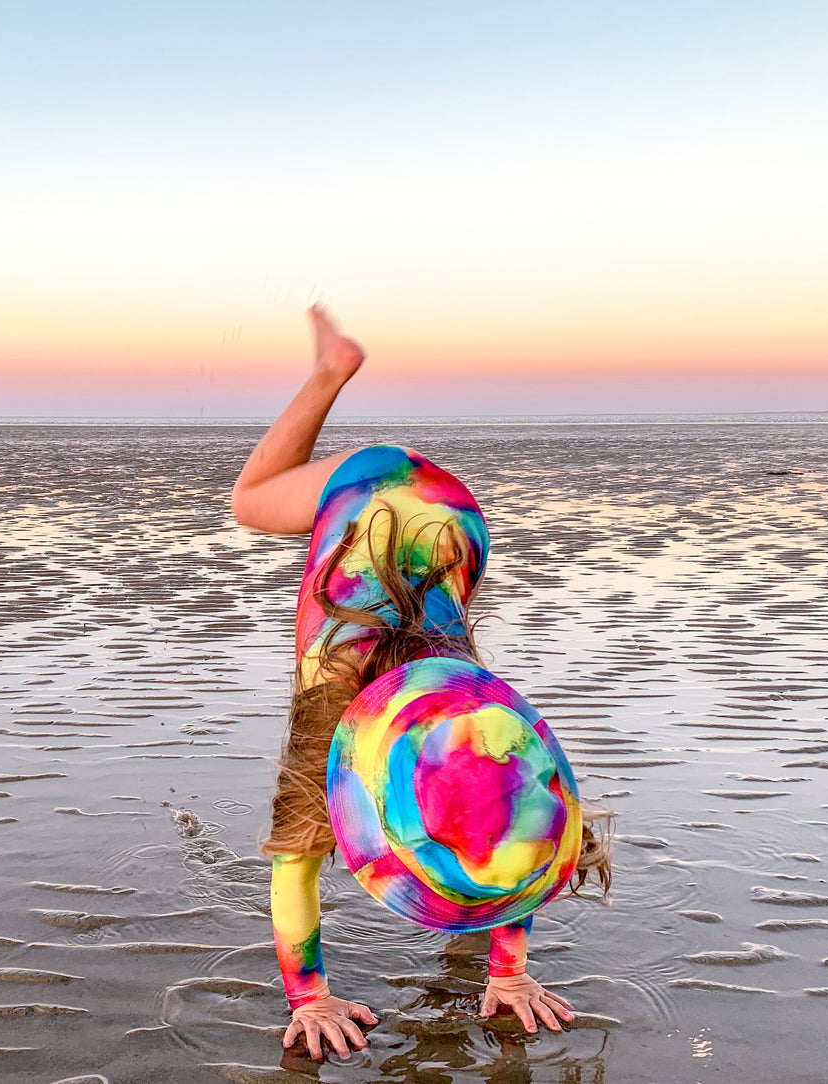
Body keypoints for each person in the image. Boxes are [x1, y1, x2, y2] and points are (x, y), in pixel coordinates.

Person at [231, 306, 611, 1062]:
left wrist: (509, 974)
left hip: (453, 526)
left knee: (472, 791)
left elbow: (512, 812)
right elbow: (293, 861)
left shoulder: (470, 708)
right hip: (375, 489)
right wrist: (309, 995)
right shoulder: (328, 700)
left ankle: (334, 369)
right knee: (252, 501)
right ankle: (330, 370)